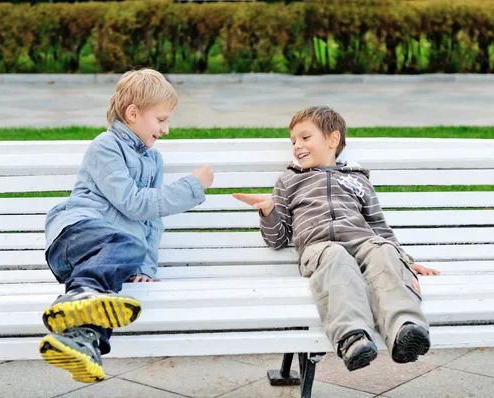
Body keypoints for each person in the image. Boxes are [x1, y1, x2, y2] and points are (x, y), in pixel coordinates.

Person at [39, 68, 214, 383]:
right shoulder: (105, 147)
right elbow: (134, 203)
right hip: (76, 237)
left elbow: (151, 221)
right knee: (126, 251)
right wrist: (192, 187)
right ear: (133, 113)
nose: (166, 129)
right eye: (161, 120)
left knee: (106, 300)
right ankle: (78, 296)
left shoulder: (153, 161)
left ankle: (79, 343)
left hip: (106, 260)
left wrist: (144, 269)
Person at [233, 106, 439, 372]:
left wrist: (404, 259)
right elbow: (277, 239)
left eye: (305, 138)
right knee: (336, 257)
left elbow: (379, 226)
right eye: (293, 141)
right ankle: (351, 338)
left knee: (384, 251)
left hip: (361, 242)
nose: (297, 146)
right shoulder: (289, 181)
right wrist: (268, 211)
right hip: (319, 249)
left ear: (332, 140)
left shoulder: (358, 180)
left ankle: (404, 330)